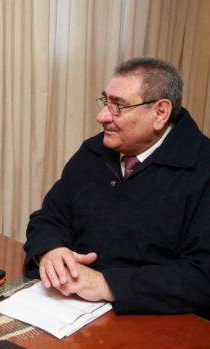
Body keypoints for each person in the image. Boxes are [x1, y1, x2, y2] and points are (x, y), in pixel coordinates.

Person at [24, 56, 210, 317]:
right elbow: (50, 217)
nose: (102, 117)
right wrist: (50, 250)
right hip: (69, 308)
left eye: (118, 106)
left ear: (160, 113)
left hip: (157, 322)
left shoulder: (203, 170)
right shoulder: (93, 151)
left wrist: (106, 284)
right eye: (105, 102)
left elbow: (202, 275)